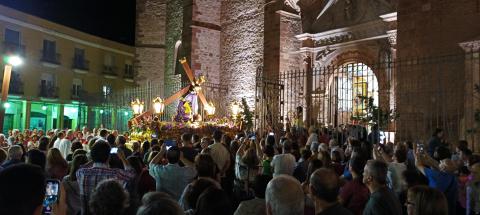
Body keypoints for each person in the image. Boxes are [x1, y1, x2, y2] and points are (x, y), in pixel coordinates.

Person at [76, 140, 135, 214]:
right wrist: (122, 157)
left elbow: (82, 167)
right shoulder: (116, 173)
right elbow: (131, 173)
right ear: (109, 157)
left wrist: (95, 158)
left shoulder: (81, 173)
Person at [415, 147, 457, 215]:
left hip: (434, 207)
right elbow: (437, 165)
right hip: (449, 208)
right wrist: (427, 157)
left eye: (442, 162)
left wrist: (417, 155)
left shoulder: (435, 175)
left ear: (444, 167)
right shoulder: (453, 176)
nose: (440, 161)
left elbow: (418, 165)